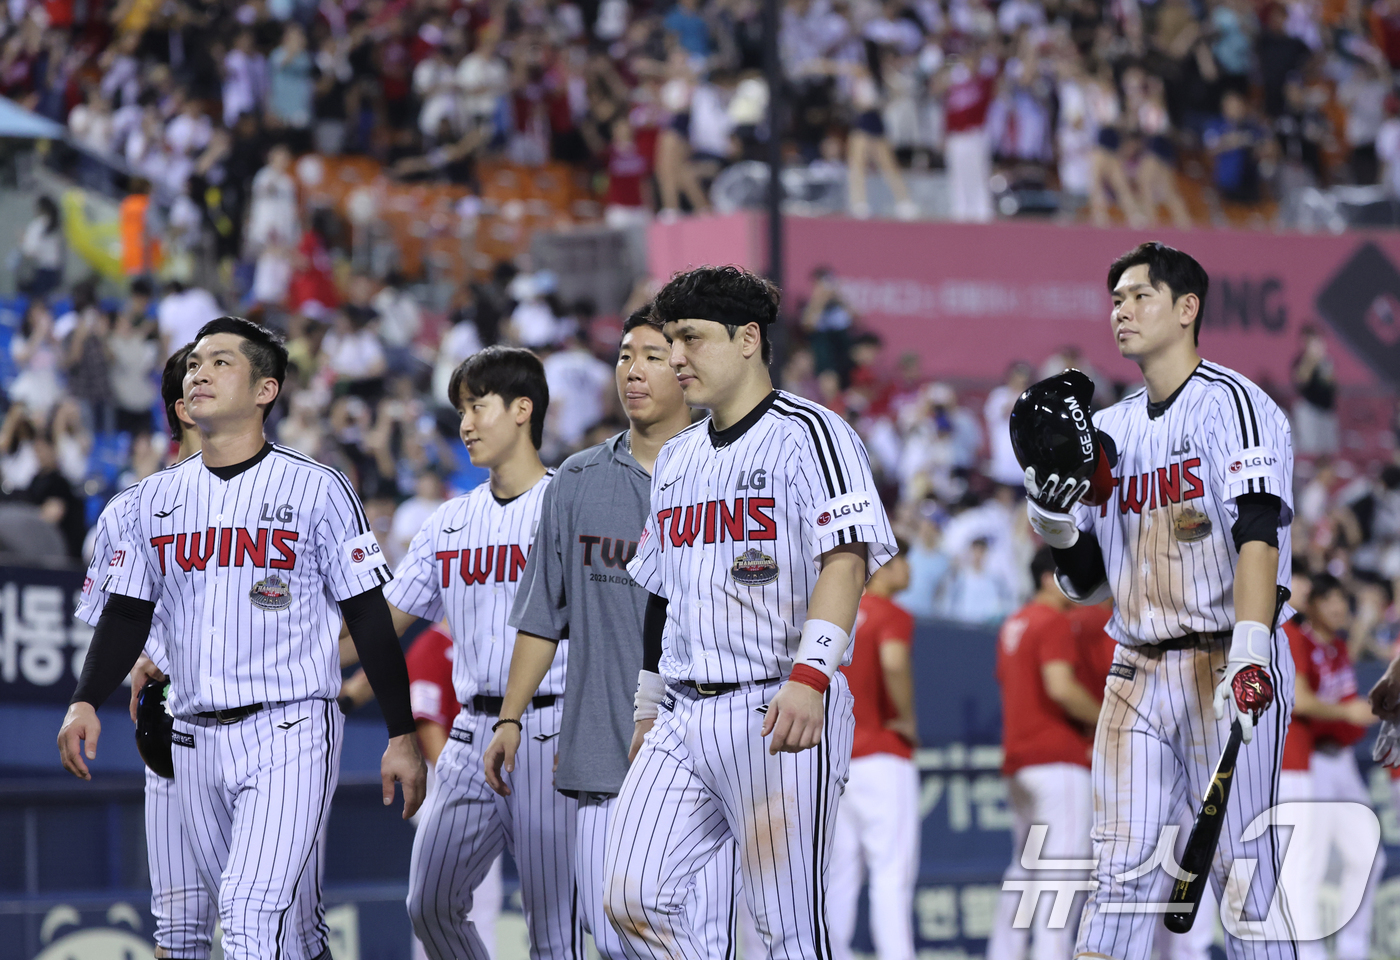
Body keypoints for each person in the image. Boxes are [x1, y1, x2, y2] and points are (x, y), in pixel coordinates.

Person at [56, 316, 426, 960]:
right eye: (195, 363)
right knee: (288, 933)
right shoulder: (150, 502)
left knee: (251, 916)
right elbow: (124, 616)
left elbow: (368, 614)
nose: (200, 371)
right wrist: (86, 698)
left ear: (266, 390)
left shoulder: (317, 487)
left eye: (221, 362)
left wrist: (400, 732)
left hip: (292, 727)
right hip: (191, 733)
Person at [603, 265, 897, 959]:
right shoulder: (675, 458)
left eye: (690, 339)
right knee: (628, 897)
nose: (674, 357)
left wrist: (811, 675)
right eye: (669, 340)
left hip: (776, 705)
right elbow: (660, 593)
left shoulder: (812, 433)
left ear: (747, 340)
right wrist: (647, 706)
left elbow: (846, 560)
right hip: (681, 712)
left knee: (784, 928)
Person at [1024, 242, 1297, 958]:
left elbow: (1258, 532)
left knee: (1246, 885)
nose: (1121, 310)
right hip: (1137, 665)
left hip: (1227, 654)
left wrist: (1250, 650)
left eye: (1139, 296)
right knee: (1116, 874)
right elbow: (1086, 581)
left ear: (1187, 308)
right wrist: (1055, 527)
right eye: (1114, 299)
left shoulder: (1235, 405)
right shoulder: (1106, 431)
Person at [482, 310, 739, 959]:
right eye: (626, 355)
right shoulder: (577, 479)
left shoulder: (729, 475)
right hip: (601, 754)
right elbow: (544, 614)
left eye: (652, 356)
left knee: (696, 941)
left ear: (686, 370)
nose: (633, 370)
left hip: (703, 762)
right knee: (615, 935)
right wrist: (510, 718)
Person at [383, 346, 581, 960]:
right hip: (469, 734)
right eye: (461, 410)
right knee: (430, 907)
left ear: (523, 409)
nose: (465, 423)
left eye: (478, 406)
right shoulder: (449, 521)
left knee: (555, 931)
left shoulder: (571, 505)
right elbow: (378, 625)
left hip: (551, 728)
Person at [986, 547, 1101, 960]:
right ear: (1049, 578)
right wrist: (1106, 719)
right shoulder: (1052, 619)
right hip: (1057, 760)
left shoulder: (1013, 623)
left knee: (1025, 868)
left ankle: (1006, 952)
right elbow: (1061, 687)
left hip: (1019, 761)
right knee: (1061, 873)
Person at [1279, 575, 1381, 960]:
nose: (1338, 607)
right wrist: (1346, 711)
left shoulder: (1338, 646)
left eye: (1342, 600)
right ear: (1314, 604)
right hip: (1311, 760)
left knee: (1369, 856)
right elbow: (1301, 701)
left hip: (1340, 762)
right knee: (1308, 864)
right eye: (1329, 600)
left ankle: (1353, 951)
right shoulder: (1298, 638)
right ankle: (1308, 954)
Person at [827, 541, 919, 960]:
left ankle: (832, 952)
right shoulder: (891, 613)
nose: (908, 568)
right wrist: (907, 718)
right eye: (902, 559)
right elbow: (894, 663)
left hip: (840, 756)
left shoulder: (837, 611)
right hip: (882, 753)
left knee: (840, 872)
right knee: (891, 871)